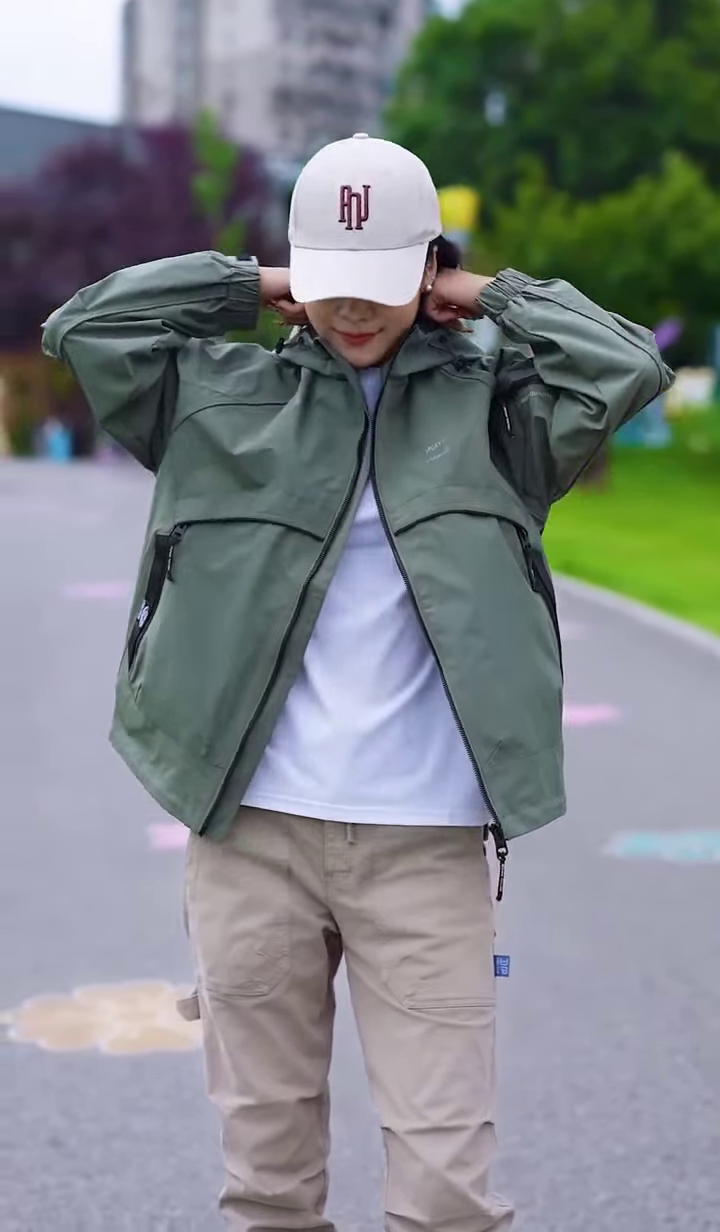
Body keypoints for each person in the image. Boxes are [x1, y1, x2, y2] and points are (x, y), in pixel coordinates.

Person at [43, 134, 673, 1231]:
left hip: (425, 843)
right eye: (331, 281)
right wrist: (250, 284)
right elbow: (87, 328)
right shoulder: (215, 397)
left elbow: (623, 362)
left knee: (446, 1195)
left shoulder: (501, 415)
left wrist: (482, 294)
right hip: (251, 836)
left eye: (380, 281)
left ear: (428, 267)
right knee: (269, 1188)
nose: (351, 309)